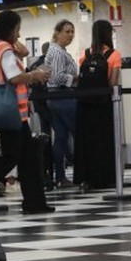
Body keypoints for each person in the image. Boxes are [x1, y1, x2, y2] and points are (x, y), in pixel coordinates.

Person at [0, 10, 54, 215]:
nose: (19, 34)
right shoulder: (4, 49)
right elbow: (14, 77)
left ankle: (35, 203)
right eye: (17, 29)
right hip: (12, 113)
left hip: (14, 115)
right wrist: (35, 75)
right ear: (9, 29)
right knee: (10, 157)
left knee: (27, 158)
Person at [73, 20, 121, 191]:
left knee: (86, 141)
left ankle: (86, 178)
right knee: (104, 141)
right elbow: (112, 82)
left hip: (84, 105)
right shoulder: (114, 55)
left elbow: (81, 79)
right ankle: (105, 177)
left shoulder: (85, 54)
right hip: (102, 104)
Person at [44, 20, 78, 188]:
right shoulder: (57, 52)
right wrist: (75, 79)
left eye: (72, 32)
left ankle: (60, 176)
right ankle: (81, 173)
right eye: (67, 31)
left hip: (54, 98)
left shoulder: (57, 51)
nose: (70, 35)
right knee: (77, 133)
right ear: (57, 33)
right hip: (62, 97)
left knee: (61, 138)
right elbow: (56, 77)